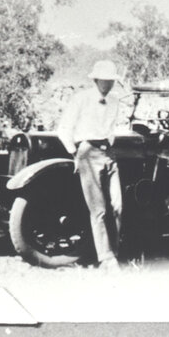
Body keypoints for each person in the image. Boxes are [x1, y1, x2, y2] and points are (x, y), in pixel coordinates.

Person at [58, 59, 125, 272]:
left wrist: (109, 146)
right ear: (96, 80)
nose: (108, 84)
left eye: (112, 81)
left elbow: (112, 128)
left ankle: (115, 252)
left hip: (108, 153)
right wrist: (75, 153)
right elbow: (64, 128)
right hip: (87, 152)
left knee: (117, 205)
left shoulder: (115, 102)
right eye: (105, 80)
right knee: (99, 209)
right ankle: (106, 259)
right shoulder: (81, 99)